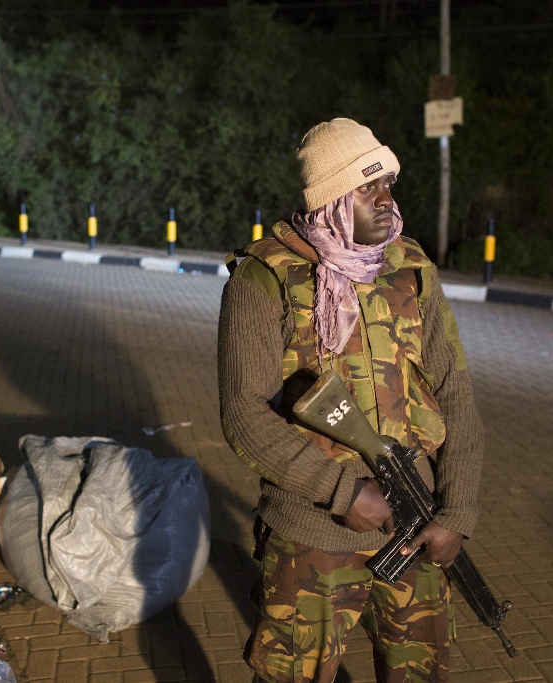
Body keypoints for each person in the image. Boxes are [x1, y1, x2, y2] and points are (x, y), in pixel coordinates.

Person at [218, 118, 483, 683]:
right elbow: (245, 415)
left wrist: (457, 511)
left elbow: (455, 392)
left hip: (418, 528)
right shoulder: (266, 279)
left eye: (388, 183)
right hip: (312, 537)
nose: (387, 198)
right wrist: (341, 490)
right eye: (369, 187)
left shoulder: (411, 271)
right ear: (333, 199)